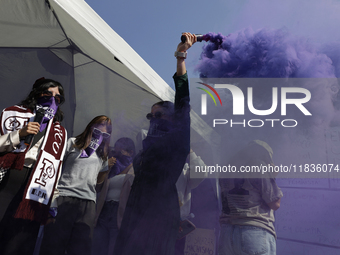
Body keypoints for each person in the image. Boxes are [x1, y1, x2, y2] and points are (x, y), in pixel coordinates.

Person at [113, 32, 195, 255]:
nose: (154, 121)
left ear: (173, 119)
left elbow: (183, 103)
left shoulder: (177, 140)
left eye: (160, 115)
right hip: (135, 210)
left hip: (159, 212)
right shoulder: (146, 146)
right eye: (151, 117)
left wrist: (181, 58)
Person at [0, 78, 67, 255]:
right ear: (36, 93)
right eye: (48, 94)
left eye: (58, 98)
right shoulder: (12, 113)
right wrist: (19, 134)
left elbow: (55, 171)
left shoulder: (59, 131)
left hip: (35, 186)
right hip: (8, 176)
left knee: (17, 241)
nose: (53, 99)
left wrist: (52, 204)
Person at [39, 115, 112, 255]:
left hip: (88, 203)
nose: (103, 129)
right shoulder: (73, 142)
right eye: (101, 125)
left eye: (107, 129)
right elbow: (55, 166)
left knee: (81, 247)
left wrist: (105, 171)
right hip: (65, 196)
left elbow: (98, 183)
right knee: (53, 243)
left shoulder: (103, 153)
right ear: (92, 125)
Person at [218, 140, 283, 255]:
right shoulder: (259, 165)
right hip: (253, 232)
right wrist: (272, 177)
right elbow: (275, 203)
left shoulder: (226, 168)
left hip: (226, 233)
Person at [92, 137, 136, 255]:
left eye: (122, 151)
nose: (118, 154)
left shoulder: (135, 169)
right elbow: (97, 187)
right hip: (103, 211)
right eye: (116, 151)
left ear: (131, 152)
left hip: (119, 214)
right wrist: (106, 167)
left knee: (113, 249)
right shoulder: (112, 167)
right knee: (97, 248)